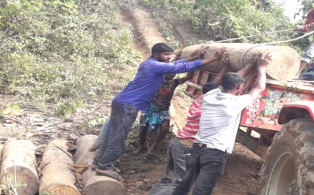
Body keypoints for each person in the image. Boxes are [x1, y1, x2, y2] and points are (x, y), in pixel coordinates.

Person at [131, 54, 258, 195]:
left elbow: (224, 83)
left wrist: (238, 67)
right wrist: (251, 68)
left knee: (169, 179)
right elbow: (229, 85)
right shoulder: (219, 105)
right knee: (179, 184)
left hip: (177, 143)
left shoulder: (205, 99)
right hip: (186, 147)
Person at [163, 54, 272, 195]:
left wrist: (249, 64)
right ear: (239, 87)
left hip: (197, 148)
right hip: (215, 154)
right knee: (201, 192)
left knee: (184, 184)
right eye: (241, 87)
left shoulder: (210, 96)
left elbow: (228, 83)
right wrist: (262, 67)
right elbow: (259, 87)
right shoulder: (235, 103)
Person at [91, 43, 224, 180]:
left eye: (169, 55)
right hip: (128, 104)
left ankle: (98, 163)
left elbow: (176, 63)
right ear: (156, 54)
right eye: (166, 55)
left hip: (123, 102)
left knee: (114, 134)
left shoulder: (151, 64)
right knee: (118, 136)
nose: (168, 57)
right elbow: (180, 67)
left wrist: (194, 57)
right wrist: (213, 59)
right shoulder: (155, 66)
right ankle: (104, 166)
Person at [137, 72, 192, 157]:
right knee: (143, 128)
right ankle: (142, 147)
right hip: (150, 107)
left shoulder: (174, 82)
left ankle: (152, 148)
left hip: (163, 110)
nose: (173, 75)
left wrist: (194, 64)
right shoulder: (156, 79)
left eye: (174, 73)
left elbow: (189, 76)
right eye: (171, 73)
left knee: (165, 128)